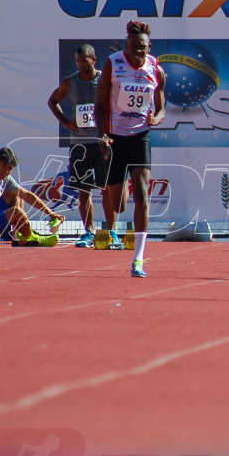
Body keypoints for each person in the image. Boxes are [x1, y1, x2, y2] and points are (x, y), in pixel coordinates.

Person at [95, 20, 166, 278]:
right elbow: (99, 104)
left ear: (149, 46)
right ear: (127, 44)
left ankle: (138, 259)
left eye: (143, 47)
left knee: (143, 194)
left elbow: (160, 103)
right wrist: (102, 135)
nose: (139, 51)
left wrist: (158, 116)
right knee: (117, 206)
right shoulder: (113, 64)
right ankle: (122, 180)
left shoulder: (154, 67)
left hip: (140, 136)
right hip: (115, 138)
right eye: (134, 46)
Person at [47, 44, 109, 248]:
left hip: (101, 141)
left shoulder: (104, 80)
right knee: (84, 191)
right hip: (79, 144)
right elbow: (52, 101)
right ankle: (89, 232)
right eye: (78, 61)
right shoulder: (70, 82)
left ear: (93, 59)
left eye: (85, 60)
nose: (82, 65)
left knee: (107, 188)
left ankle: (110, 232)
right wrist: (65, 122)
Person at [0, 147, 64, 246]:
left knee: (16, 195)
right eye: (3, 166)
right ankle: (32, 237)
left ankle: (19, 233)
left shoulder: (6, 178)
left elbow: (27, 195)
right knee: (17, 212)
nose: (6, 171)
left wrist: (51, 214)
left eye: (9, 168)